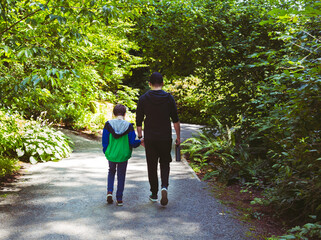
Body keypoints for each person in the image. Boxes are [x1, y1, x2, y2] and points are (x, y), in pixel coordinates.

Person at [136, 72, 180, 206]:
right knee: (165, 163)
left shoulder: (143, 98)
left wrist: (140, 137)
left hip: (150, 138)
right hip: (165, 137)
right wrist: (178, 137)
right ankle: (164, 187)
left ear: (149, 84)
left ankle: (154, 193)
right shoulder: (169, 98)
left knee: (152, 165)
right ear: (162, 83)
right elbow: (176, 120)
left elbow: (138, 121)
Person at [102, 104, 142, 206]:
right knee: (121, 175)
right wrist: (140, 141)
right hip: (123, 155)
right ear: (124, 114)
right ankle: (119, 199)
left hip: (111, 154)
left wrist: (106, 151)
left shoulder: (108, 124)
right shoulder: (129, 126)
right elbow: (132, 143)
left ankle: (109, 192)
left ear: (114, 114)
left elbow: (104, 141)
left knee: (111, 172)